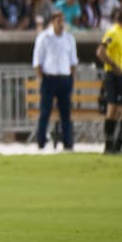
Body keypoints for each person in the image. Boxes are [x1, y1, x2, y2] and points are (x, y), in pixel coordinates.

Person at [32, 9, 78, 150]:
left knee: (66, 113)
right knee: (45, 112)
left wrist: (71, 78)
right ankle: (41, 141)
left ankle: (67, 142)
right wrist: (42, 78)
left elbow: (73, 61)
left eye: (62, 20)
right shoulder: (44, 37)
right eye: (58, 21)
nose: (61, 24)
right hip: (49, 78)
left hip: (64, 78)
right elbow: (38, 61)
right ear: (52, 22)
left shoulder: (69, 38)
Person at [97, 9, 122, 154]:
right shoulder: (113, 32)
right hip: (114, 76)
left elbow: (119, 55)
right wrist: (114, 66)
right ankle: (108, 145)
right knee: (112, 109)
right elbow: (100, 51)